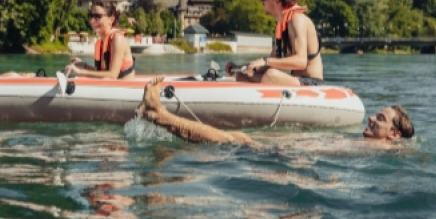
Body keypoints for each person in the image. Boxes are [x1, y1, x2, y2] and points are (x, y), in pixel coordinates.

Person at [137, 77, 416, 145]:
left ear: (393, 135)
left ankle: (160, 116)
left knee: (236, 139)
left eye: (380, 119)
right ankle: (160, 117)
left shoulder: (382, 151)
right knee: (234, 138)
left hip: (287, 156)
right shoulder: (375, 147)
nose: (370, 117)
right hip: (292, 151)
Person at [224, 0, 323, 84]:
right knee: (241, 75)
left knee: (271, 75)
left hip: (311, 82)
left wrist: (264, 61)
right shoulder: (282, 25)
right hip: (296, 80)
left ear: (277, 1)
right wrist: (241, 67)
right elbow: (272, 62)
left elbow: (301, 62)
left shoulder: (297, 20)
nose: (262, 1)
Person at [65, 2, 136, 80]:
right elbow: (101, 73)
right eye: (91, 16)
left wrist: (80, 72)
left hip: (124, 90)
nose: (92, 21)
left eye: (97, 17)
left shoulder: (117, 40)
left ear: (111, 19)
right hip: (110, 89)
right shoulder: (101, 42)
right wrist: (84, 65)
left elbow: (113, 75)